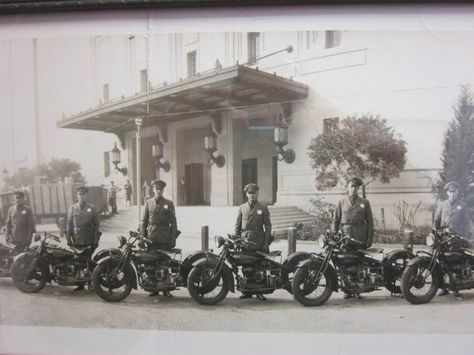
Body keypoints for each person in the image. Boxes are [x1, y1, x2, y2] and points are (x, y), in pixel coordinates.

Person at [332, 177, 374, 299]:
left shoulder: (364, 202)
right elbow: (335, 220)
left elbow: (370, 222)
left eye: (356, 187)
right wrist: (334, 234)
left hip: (359, 236)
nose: (354, 189)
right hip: (345, 237)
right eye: (352, 186)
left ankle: (358, 288)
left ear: (358, 189)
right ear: (347, 188)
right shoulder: (341, 202)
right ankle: (348, 290)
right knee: (345, 262)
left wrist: (369, 239)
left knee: (358, 262)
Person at [141, 179, 180, 297]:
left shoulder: (169, 203)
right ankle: (154, 288)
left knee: (164, 263)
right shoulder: (148, 202)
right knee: (151, 263)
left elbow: (173, 222)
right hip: (151, 237)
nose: (159, 191)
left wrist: (173, 238)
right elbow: (144, 221)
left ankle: (166, 288)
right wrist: (143, 237)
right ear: (153, 189)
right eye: (157, 189)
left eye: (161, 189)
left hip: (164, 237)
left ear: (163, 190)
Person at [235, 183, 273, 300]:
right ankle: (247, 291)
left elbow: (268, 227)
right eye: (250, 193)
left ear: (258, 193)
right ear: (246, 194)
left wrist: (266, 243)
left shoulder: (263, 207)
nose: (252, 195)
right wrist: (237, 240)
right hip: (245, 240)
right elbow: (238, 225)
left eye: (254, 193)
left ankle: (260, 291)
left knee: (259, 266)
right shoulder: (242, 207)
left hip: (258, 241)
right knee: (246, 265)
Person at [434, 181, 470, 298]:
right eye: (450, 191)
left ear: (458, 192)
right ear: (447, 193)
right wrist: (436, 232)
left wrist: (465, 237)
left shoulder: (462, 205)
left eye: (454, 191)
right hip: (444, 238)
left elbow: (466, 223)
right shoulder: (442, 204)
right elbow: (437, 220)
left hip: (457, 238)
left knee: (456, 262)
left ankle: (457, 288)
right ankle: (444, 288)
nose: (452, 194)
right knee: (442, 262)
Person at [67, 186, 101, 291]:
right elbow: (69, 224)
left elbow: (96, 225)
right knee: (78, 261)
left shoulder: (92, 208)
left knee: (89, 261)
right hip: (77, 238)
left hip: (88, 238)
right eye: (79, 194)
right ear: (77, 195)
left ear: (86, 195)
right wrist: (69, 238)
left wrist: (95, 240)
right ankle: (80, 283)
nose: (81, 196)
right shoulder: (73, 208)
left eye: (83, 194)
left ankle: (91, 282)